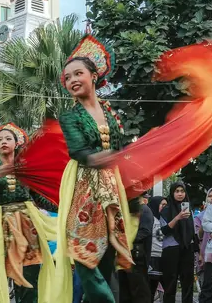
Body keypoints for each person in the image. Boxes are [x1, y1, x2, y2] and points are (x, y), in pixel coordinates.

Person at [53, 34, 132, 303]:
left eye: (78, 73)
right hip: (84, 187)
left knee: (108, 255)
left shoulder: (112, 114)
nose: (72, 80)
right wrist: (109, 157)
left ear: (93, 76)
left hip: (111, 187)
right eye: (67, 78)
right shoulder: (70, 116)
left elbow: (122, 149)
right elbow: (79, 152)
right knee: (85, 256)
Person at [0, 123, 56, 303]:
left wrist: (60, 208)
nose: (3, 142)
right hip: (3, 224)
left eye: (8, 139)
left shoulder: (26, 169)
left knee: (28, 274)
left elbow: (38, 198)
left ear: (16, 143)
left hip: (27, 223)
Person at [160, 182, 196, 303]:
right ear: (172, 193)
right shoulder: (166, 210)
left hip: (187, 248)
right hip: (171, 249)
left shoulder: (188, 209)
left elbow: (192, 230)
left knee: (188, 282)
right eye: (177, 191)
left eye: (182, 191)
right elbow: (164, 231)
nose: (180, 194)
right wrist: (177, 218)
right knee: (170, 283)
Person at [118, 193, 153, 303]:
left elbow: (145, 231)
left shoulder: (144, 210)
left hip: (137, 257)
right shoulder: (126, 210)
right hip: (125, 255)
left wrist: (127, 240)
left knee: (139, 290)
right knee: (125, 291)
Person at [147, 196, 166, 299]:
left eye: (166, 205)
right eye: (162, 205)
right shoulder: (149, 218)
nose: (164, 207)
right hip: (152, 255)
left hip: (164, 256)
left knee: (168, 287)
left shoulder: (167, 219)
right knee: (151, 288)